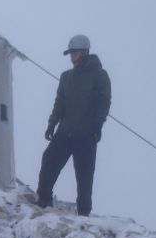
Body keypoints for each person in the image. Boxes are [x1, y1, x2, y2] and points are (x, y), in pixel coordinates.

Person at [36, 34, 112, 216]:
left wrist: (96, 127)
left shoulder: (100, 75)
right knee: (48, 161)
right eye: (70, 53)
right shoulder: (66, 77)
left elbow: (104, 103)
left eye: (75, 52)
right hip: (65, 132)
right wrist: (51, 124)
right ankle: (43, 202)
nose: (72, 56)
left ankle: (84, 215)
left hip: (86, 135)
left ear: (85, 52)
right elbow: (59, 103)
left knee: (84, 177)